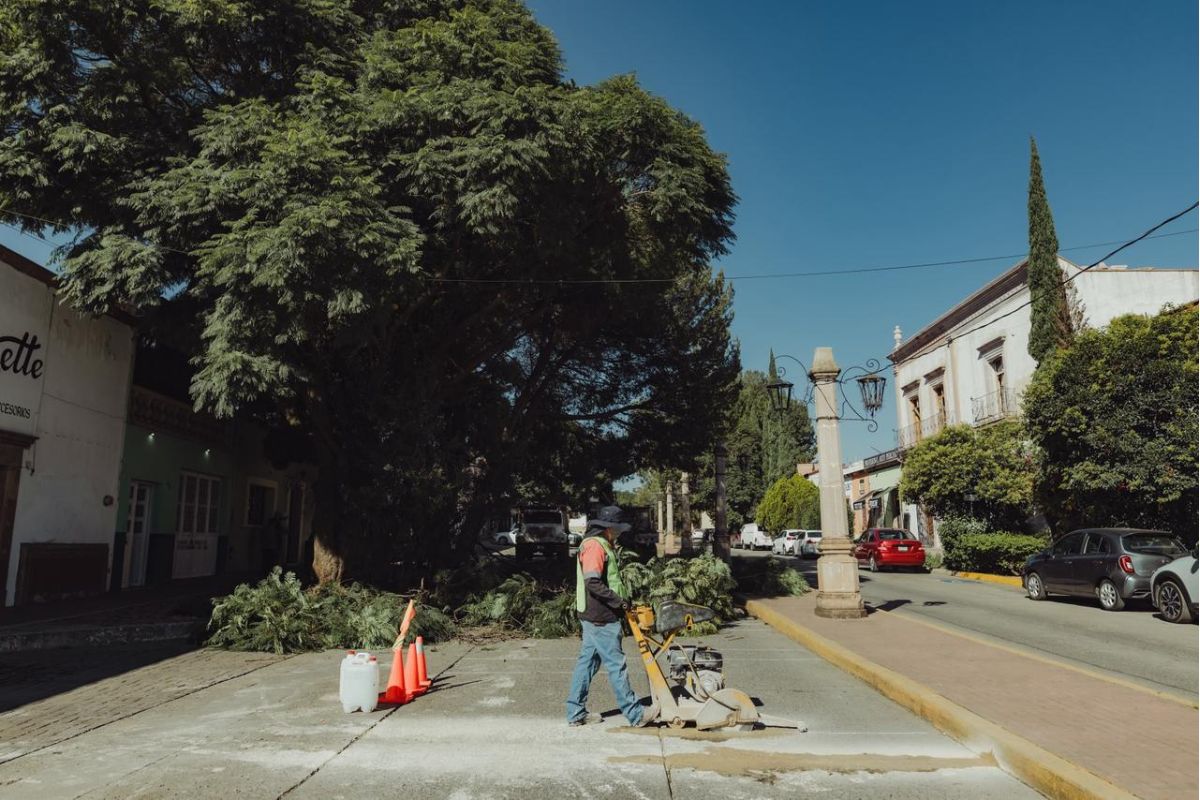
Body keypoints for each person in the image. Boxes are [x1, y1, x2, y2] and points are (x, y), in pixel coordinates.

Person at [565, 505, 658, 727]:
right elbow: (593, 582)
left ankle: (575, 712)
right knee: (617, 664)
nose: (618, 533)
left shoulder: (599, 545)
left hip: (595, 614)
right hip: (600, 616)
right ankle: (635, 714)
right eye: (616, 529)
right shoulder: (595, 547)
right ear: (608, 528)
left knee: (587, 663)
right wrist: (619, 602)